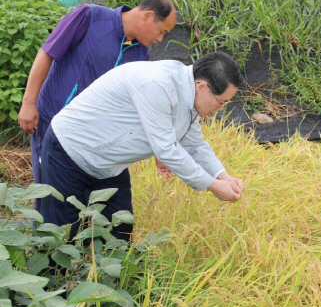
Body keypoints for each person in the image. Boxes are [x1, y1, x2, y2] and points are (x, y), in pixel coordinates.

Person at [40, 52, 245, 241]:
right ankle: (50, 278)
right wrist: (212, 185)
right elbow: (166, 149)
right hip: (70, 151)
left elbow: (195, 144)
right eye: (221, 102)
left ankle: (102, 278)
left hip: (109, 165)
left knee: (119, 230)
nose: (219, 109)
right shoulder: (157, 83)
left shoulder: (189, 95)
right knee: (60, 233)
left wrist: (223, 176)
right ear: (202, 86)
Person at [18, 0, 177, 210]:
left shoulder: (140, 56)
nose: (160, 40)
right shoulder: (89, 17)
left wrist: (160, 149)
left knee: (83, 203)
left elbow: (141, 107)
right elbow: (47, 53)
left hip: (90, 139)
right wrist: (29, 102)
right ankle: (45, 242)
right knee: (51, 198)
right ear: (148, 16)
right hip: (52, 122)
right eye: (162, 32)